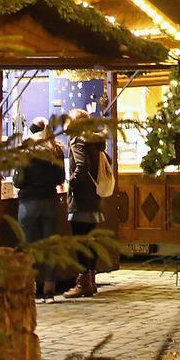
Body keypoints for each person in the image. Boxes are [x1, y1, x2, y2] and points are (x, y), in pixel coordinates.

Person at [63, 109, 115, 299]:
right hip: (94, 198)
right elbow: (106, 161)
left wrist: (71, 184)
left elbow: (81, 166)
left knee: (80, 241)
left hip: (81, 199)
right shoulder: (95, 141)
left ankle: (83, 283)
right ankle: (91, 280)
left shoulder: (78, 140)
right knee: (91, 240)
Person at [13, 118, 66, 300]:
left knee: (28, 247)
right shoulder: (56, 150)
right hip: (49, 201)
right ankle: (49, 287)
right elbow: (60, 178)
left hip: (28, 203)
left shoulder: (26, 150)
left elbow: (18, 181)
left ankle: (31, 287)